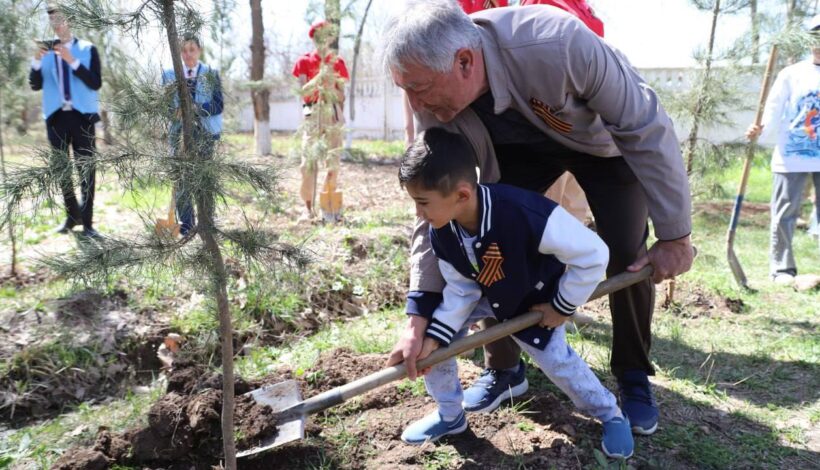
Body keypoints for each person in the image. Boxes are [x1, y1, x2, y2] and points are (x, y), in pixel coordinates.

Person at [384, 0, 694, 437]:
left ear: (465, 62)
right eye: (405, 89)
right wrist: (418, 318)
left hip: (603, 146)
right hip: (516, 153)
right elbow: (436, 211)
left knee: (626, 251)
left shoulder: (556, 42)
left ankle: (632, 375)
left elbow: (644, 124)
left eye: (418, 88)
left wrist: (676, 233)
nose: (415, 103)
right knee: (487, 234)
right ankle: (505, 372)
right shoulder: (432, 99)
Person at [392, 128, 633, 458]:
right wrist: (437, 336)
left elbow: (593, 254)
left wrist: (562, 305)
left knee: (557, 362)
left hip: (529, 297)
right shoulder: (443, 230)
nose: (419, 213)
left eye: (422, 203)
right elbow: (462, 289)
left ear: (462, 195)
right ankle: (450, 415)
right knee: (432, 349)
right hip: (484, 293)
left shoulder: (526, 214)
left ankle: (610, 414)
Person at [745, 15, 820, 285]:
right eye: (816, 34)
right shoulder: (792, 74)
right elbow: (774, 109)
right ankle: (782, 269)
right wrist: (760, 128)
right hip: (793, 154)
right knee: (785, 214)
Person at [29, 6, 102, 238]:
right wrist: (36, 62)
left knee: (86, 171)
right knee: (62, 170)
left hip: (83, 118)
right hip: (56, 118)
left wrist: (72, 61)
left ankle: (88, 223)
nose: (57, 25)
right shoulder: (46, 51)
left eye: (61, 20)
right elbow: (35, 84)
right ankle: (72, 217)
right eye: (53, 21)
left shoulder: (88, 49)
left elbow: (95, 82)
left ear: (70, 20)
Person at [161, 36, 223, 236]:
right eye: (184, 50)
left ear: (199, 50)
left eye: (192, 49)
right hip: (178, 134)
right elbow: (165, 106)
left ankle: (206, 222)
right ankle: (186, 225)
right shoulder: (169, 75)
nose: (188, 54)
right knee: (182, 179)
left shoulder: (211, 74)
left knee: (204, 178)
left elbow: (218, 104)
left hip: (205, 134)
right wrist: (174, 111)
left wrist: (195, 109)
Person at [292, 19, 349, 222]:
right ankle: (308, 208)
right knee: (308, 162)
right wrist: (319, 79)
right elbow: (303, 91)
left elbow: (342, 96)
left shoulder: (338, 62)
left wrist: (332, 85)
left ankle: (329, 207)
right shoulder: (304, 62)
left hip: (332, 112)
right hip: (312, 111)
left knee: (333, 162)